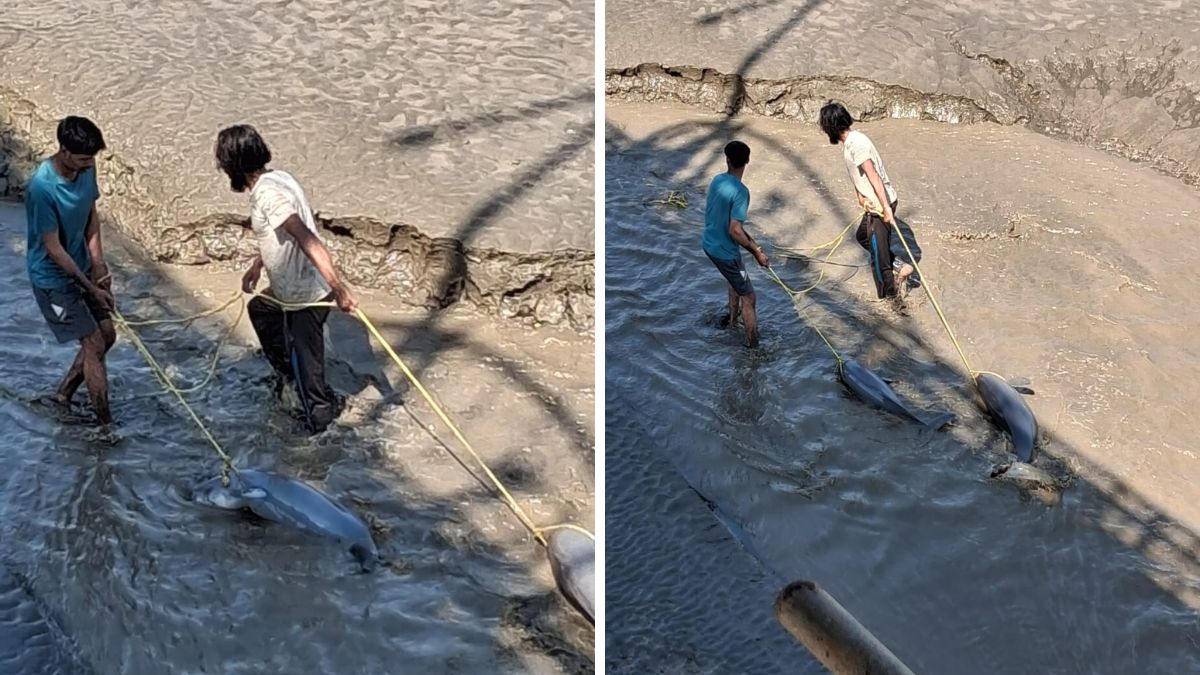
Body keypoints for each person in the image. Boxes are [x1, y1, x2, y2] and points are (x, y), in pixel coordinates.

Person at [214, 124, 357, 434]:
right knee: (261, 310)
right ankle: (287, 374)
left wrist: (338, 287)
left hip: (304, 295)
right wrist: (257, 265)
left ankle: (320, 436)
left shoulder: (266, 194)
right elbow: (279, 237)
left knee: (313, 393)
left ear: (232, 166)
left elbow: (305, 236)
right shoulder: (279, 177)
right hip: (290, 289)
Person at [26, 116, 116, 427]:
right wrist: (90, 288)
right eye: (81, 158)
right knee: (93, 343)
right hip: (52, 278)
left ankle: (64, 393)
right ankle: (104, 425)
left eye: (92, 158)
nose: (88, 164)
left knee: (108, 335)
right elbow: (53, 247)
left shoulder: (87, 168)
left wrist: (99, 264)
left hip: (83, 265)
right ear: (64, 151)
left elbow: (91, 214)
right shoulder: (41, 188)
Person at [818, 101, 922, 300]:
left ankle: (892, 306)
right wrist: (860, 196)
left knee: (879, 261)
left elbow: (873, 175)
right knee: (862, 237)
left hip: (880, 208)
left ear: (831, 126)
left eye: (824, 126)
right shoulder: (851, 142)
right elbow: (860, 175)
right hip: (874, 204)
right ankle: (900, 266)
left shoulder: (856, 143)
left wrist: (885, 208)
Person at [702, 140, 770, 348]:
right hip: (725, 251)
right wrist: (757, 252)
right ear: (747, 161)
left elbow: (728, 224)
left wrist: (753, 246)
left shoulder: (717, 180)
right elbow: (735, 230)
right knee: (749, 297)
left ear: (727, 159)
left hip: (709, 244)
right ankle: (753, 348)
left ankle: (732, 321)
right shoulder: (741, 192)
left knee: (735, 280)